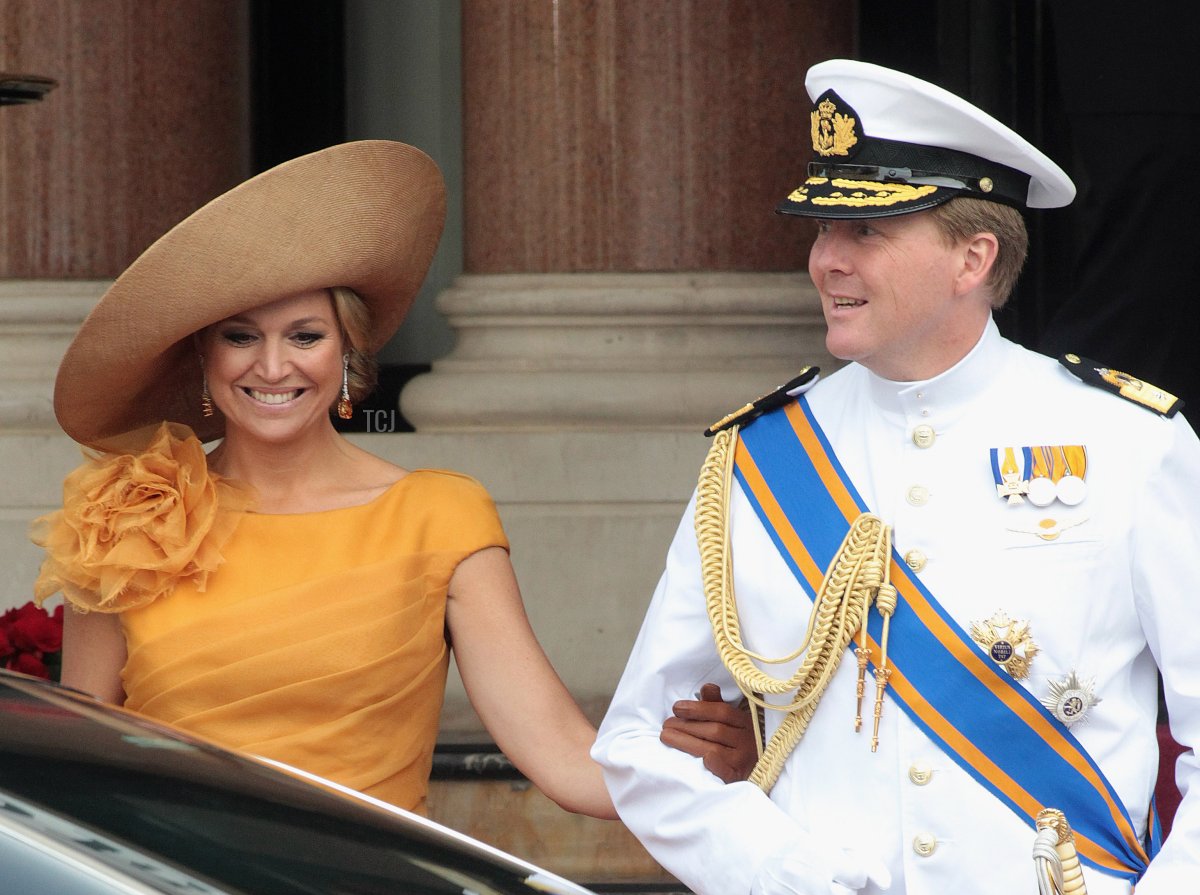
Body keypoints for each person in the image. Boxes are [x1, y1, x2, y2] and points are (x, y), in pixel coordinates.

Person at [593, 59, 1200, 895]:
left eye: (866, 233)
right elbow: (637, 737)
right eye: (820, 231)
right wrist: (775, 875)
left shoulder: (1128, 442)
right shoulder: (759, 458)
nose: (826, 262)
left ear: (973, 258)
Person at [29, 140, 753, 819]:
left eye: (304, 336)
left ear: (349, 353)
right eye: (241, 335)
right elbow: (79, 770)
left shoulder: (439, 514)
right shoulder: (123, 517)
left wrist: (710, 767)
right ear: (204, 358)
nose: (273, 366)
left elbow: (561, 756)